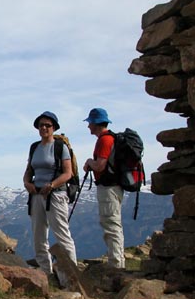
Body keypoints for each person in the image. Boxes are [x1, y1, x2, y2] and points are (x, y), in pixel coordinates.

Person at [23, 111, 77, 279]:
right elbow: (29, 170)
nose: (44, 128)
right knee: (39, 237)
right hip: (36, 195)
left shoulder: (61, 148)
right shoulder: (34, 147)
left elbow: (68, 173)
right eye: (41, 125)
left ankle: (70, 277)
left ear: (54, 128)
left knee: (62, 235)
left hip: (55, 195)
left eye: (47, 125)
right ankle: (46, 274)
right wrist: (27, 183)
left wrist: (52, 185)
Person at [82, 107, 125, 269]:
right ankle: (118, 261)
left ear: (96, 123)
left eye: (90, 123)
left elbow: (100, 166)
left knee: (110, 224)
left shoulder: (104, 140)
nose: (88, 126)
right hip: (115, 187)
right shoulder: (110, 139)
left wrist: (88, 163)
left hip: (108, 188)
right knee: (113, 223)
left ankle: (116, 265)